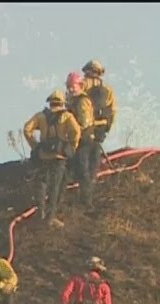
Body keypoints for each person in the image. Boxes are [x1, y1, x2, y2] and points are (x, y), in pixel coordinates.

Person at [23, 90, 81, 228]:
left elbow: (27, 129)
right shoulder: (67, 116)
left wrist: (35, 146)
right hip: (59, 157)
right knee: (55, 187)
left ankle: (40, 213)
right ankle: (50, 218)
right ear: (62, 102)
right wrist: (71, 148)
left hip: (43, 156)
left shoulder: (41, 116)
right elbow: (76, 132)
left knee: (42, 184)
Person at [65, 72, 97, 211]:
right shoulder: (74, 101)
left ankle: (87, 202)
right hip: (80, 139)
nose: (70, 89)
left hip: (84, 140)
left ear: (80, 85)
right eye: (69, 87)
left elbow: (84, 123)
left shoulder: (82, 101)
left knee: (83, 170)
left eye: (72, 86)